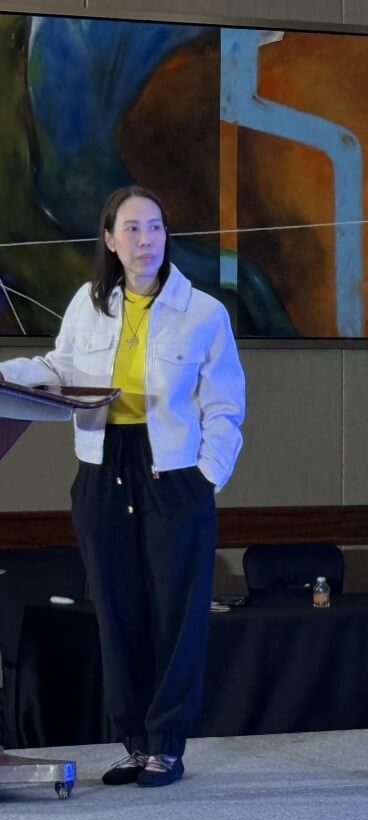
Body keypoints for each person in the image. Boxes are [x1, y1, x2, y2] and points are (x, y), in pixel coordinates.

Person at [0, 185, 245, 788]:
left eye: (155, 228)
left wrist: (205, 475)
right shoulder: (88, 304)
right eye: (131, 229)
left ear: (167, 237)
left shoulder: (204, 312)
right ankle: (134, 743)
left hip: (173, 472)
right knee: (117, 611)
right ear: (109, 239)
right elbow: (60, 369)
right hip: (100, 468)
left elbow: (225, 407)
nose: (145, 240)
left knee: (174, 615)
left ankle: (167, 744)